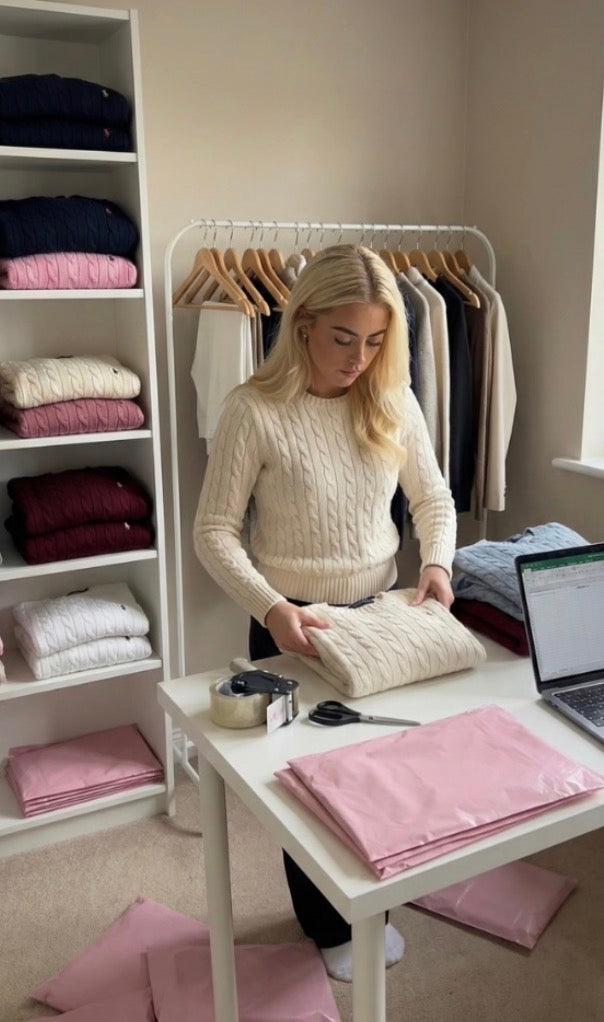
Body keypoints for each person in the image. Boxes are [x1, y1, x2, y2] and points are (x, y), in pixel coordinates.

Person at [193, 243, 456, 982]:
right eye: (344, 338)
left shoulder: (392, 399)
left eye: (375, 341)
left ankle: (376, 901)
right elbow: (213, 531)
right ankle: (328, 926)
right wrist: (272, 607)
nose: (358, 358)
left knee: (380, 773)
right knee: (306, 788)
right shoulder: (252, 409)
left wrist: (437, 563)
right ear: (303, 322)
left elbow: (433, 498)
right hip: (291, 626)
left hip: (381, 617)